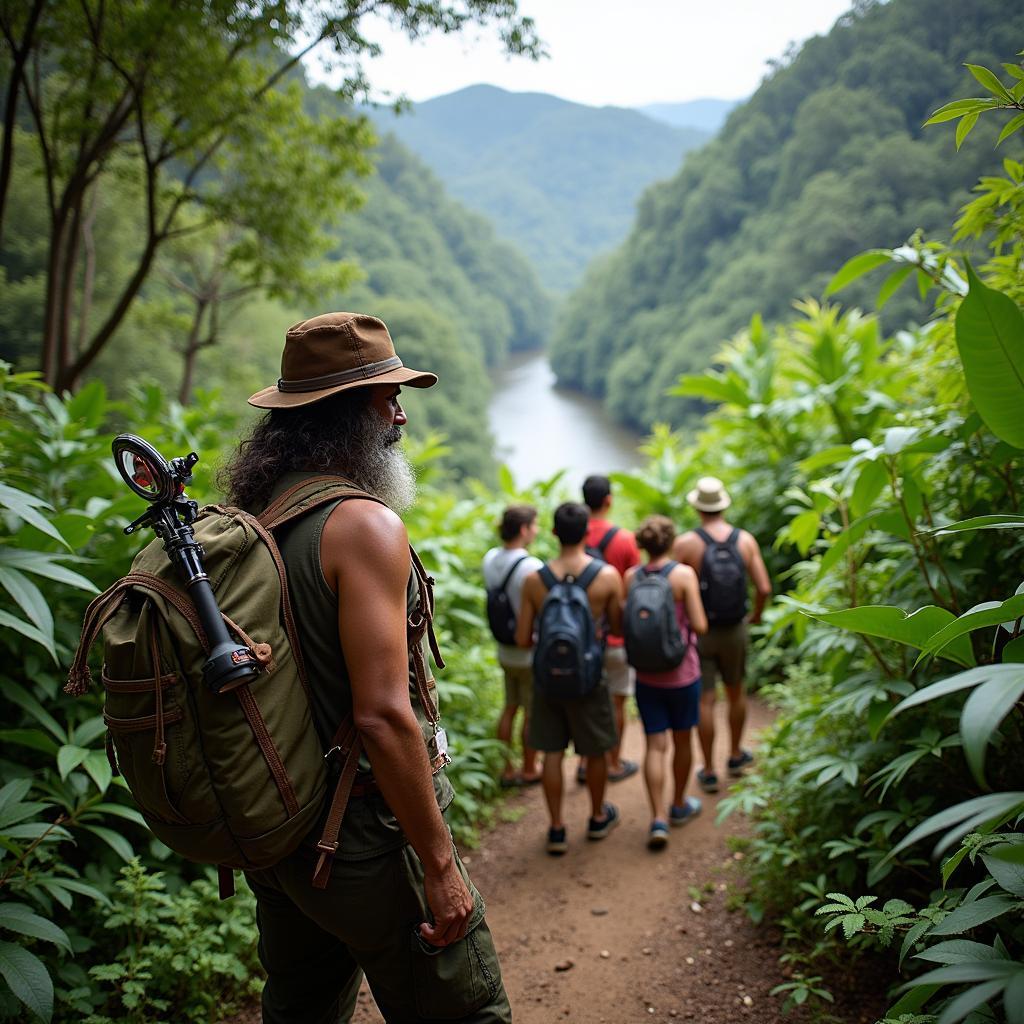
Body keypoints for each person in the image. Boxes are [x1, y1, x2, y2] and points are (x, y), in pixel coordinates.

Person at [221, 311, 510, 1023]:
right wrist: (441, 870)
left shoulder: (258, 517)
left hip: (284, 839)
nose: (401, 415)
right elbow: (383, 715)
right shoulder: (363, 526)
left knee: (303, 1010)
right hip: (364, 840)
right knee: (469, 1012)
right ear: (345, 412)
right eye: (388, 398)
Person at [516, 502, 624, 855]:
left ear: (554, 533)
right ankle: (596, 818)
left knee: (551, 752)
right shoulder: (607, 577)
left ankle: (557, 828)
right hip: (589, 677)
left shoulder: (536, 580)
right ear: (586, 533)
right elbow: (618, 626)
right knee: (594, 751)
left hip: (547, 679)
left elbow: (522, 638)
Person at [672, 476, 772, 795]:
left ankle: (710, 769)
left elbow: (671, 587)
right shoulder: (745, 541)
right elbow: (765, 587)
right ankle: (735, 754)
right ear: (723, 505)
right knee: (736, 692)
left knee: (706, 699)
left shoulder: (686, 544)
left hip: (700, 632)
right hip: (734, 629)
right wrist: (754, 615)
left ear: (698, 508)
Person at [624, 515, 708, 850]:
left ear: (643, 545)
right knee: (682, 740)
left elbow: (621, 626)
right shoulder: (683, 575)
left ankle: (658, 817)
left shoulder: (631, 577)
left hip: (646, 676)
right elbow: (700, 625)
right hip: (683, 674)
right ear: (672, 542)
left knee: (655, 745)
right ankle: (678, 804)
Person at [580, 474, 641, 783]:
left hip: (582, 639)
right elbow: (635, 586)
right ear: (608, 500)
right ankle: (613, 762)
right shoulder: (625, 539)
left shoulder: (574, 533)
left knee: (587, 700)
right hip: (615, 637)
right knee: (616, 701)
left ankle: (584, 761)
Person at [482, 505, 543, 787]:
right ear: (523, 529)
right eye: (534, 525)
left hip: (504, 650)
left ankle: (507, 768)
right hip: (528, 651)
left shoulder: (490, 558)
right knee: (531, 712)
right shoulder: (532, 567)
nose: (537, 530)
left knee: (510, 707)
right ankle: (530, 768)